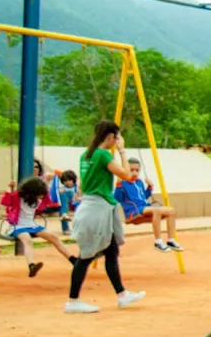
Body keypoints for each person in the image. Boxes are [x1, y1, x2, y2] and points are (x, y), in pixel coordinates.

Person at [66, 121, 146, 314]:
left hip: (92, 206)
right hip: (96, 210)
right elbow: (127, 175)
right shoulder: (102, 154)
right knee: (85, 256)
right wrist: (122, 151)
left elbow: (84, 186)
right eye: (116, 138)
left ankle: (122, 294)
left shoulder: (86, 155)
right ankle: (72, 300)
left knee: (111, 250)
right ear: (111, 137)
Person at [1, 177, 76, 278]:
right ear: (32, 192)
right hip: (17, 226)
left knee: (53, 237)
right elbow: (4, 202)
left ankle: (73, 259)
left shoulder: (40, 198)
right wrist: (9, 189)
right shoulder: (17, 196)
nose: (41, 196)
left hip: (32, 225)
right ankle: (32, 265)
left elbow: (49, 200)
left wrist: (48, 183)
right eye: (39, 194)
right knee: (27, 240)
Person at [114, 158, 182, 253]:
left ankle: (171, 240)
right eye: (131, 170)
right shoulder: (123, 183)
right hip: (133, 212)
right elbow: (117, 198)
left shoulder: (139, 182)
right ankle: (158, 241)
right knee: (156, 210)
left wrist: (150, 187)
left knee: (171, 211)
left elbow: (143, 197)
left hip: (143, 207)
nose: (134, 173)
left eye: (137, 170)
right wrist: (118, 184)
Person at [54, 170, 80, 235]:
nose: (67, 182)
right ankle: (65, 228)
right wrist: (61, 191)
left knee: (68, 194)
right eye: (65, 181)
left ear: (73, 180)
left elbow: (79, 195)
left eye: (69, 180)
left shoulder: (77, 186)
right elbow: (58, 192)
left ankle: (64, 214)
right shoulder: (62, 187)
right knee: (63, 195)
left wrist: (77, 196)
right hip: (65, 203)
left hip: (75, 203)